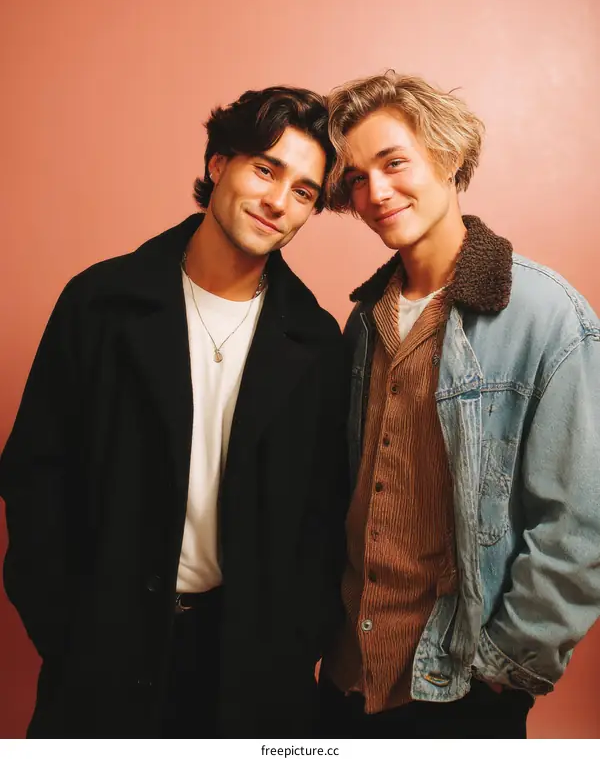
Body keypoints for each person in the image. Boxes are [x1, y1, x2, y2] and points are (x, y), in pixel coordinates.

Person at [0, 85, 348, 738]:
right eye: (265, 168)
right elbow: (35, 475)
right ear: (219, 165)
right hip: (104, 650)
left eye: (303, 191)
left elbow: (323, 517)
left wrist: (295, 641)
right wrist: (68, 630)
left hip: (251, 669)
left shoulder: (317, 341)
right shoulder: (100, 304)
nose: (278, 200)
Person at [317, 71, 600, 738]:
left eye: (393, 163)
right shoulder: (363, 323)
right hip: (347, 678)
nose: (376, 193)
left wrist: (506, 666)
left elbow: (578, 522)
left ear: (447, 158)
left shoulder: (545, 314)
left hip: (463, 688)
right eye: (356, 178)